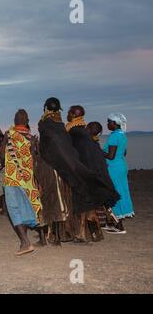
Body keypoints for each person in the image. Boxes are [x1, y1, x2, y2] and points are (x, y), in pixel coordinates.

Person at [38, 97, 120, 243]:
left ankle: (77, 234)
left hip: (73, 169)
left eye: (70, 113)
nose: (68, 115)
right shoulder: (72, 129)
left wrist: (75, 168)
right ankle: (84, 233)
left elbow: (61, 151)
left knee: (76, 203)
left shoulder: (73, 131)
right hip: (78, 169)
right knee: (80, 203)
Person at [66, 106, 120, 242]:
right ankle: (94, 233)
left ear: (72, 114)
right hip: (91, 173)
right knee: (91, 205)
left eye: (70, 112)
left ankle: (85, 235)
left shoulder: (75, 132)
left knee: (84, 205)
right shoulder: (86, 134)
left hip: (84, 174)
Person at [0, 109, 42, 255]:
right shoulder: (31, 138)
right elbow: (35, 159)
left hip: (12, 177)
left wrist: (4, 141)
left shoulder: (9, 135)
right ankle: (37, 239)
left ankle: (25, 242)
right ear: (27, 121)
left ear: (14, 120)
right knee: (29, 206)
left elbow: (2, 157)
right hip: (28, 179)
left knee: (14, 209)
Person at [103, 113, 134, 234]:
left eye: (109, 122)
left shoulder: (114, 137)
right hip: (121, 165)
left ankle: (119, 226)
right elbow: (123, 153)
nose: (107, 124)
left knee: (113, 193)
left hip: (113, 168)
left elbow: (110, 156)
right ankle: (111, 222)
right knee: (121, 192)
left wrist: (97, 151)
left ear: (114, 123)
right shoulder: (122, 135)